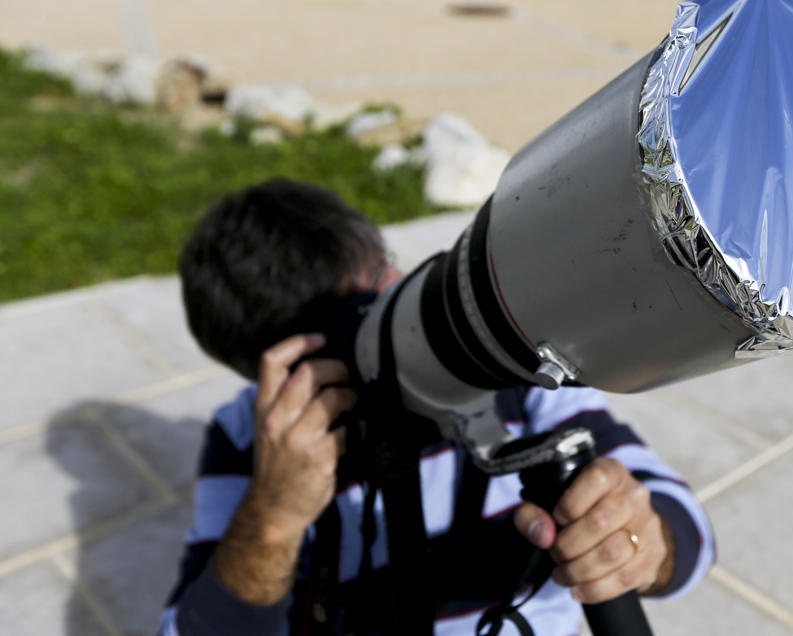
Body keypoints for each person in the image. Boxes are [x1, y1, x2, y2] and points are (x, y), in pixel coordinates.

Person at [159, 176, 715, 635]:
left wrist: (641, 543)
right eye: (351, 327)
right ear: (274, 371)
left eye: (383, 279)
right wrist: (273, 518)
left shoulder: (508, 366)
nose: (390, 319)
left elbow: (685, 529)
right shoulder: (251, 437)